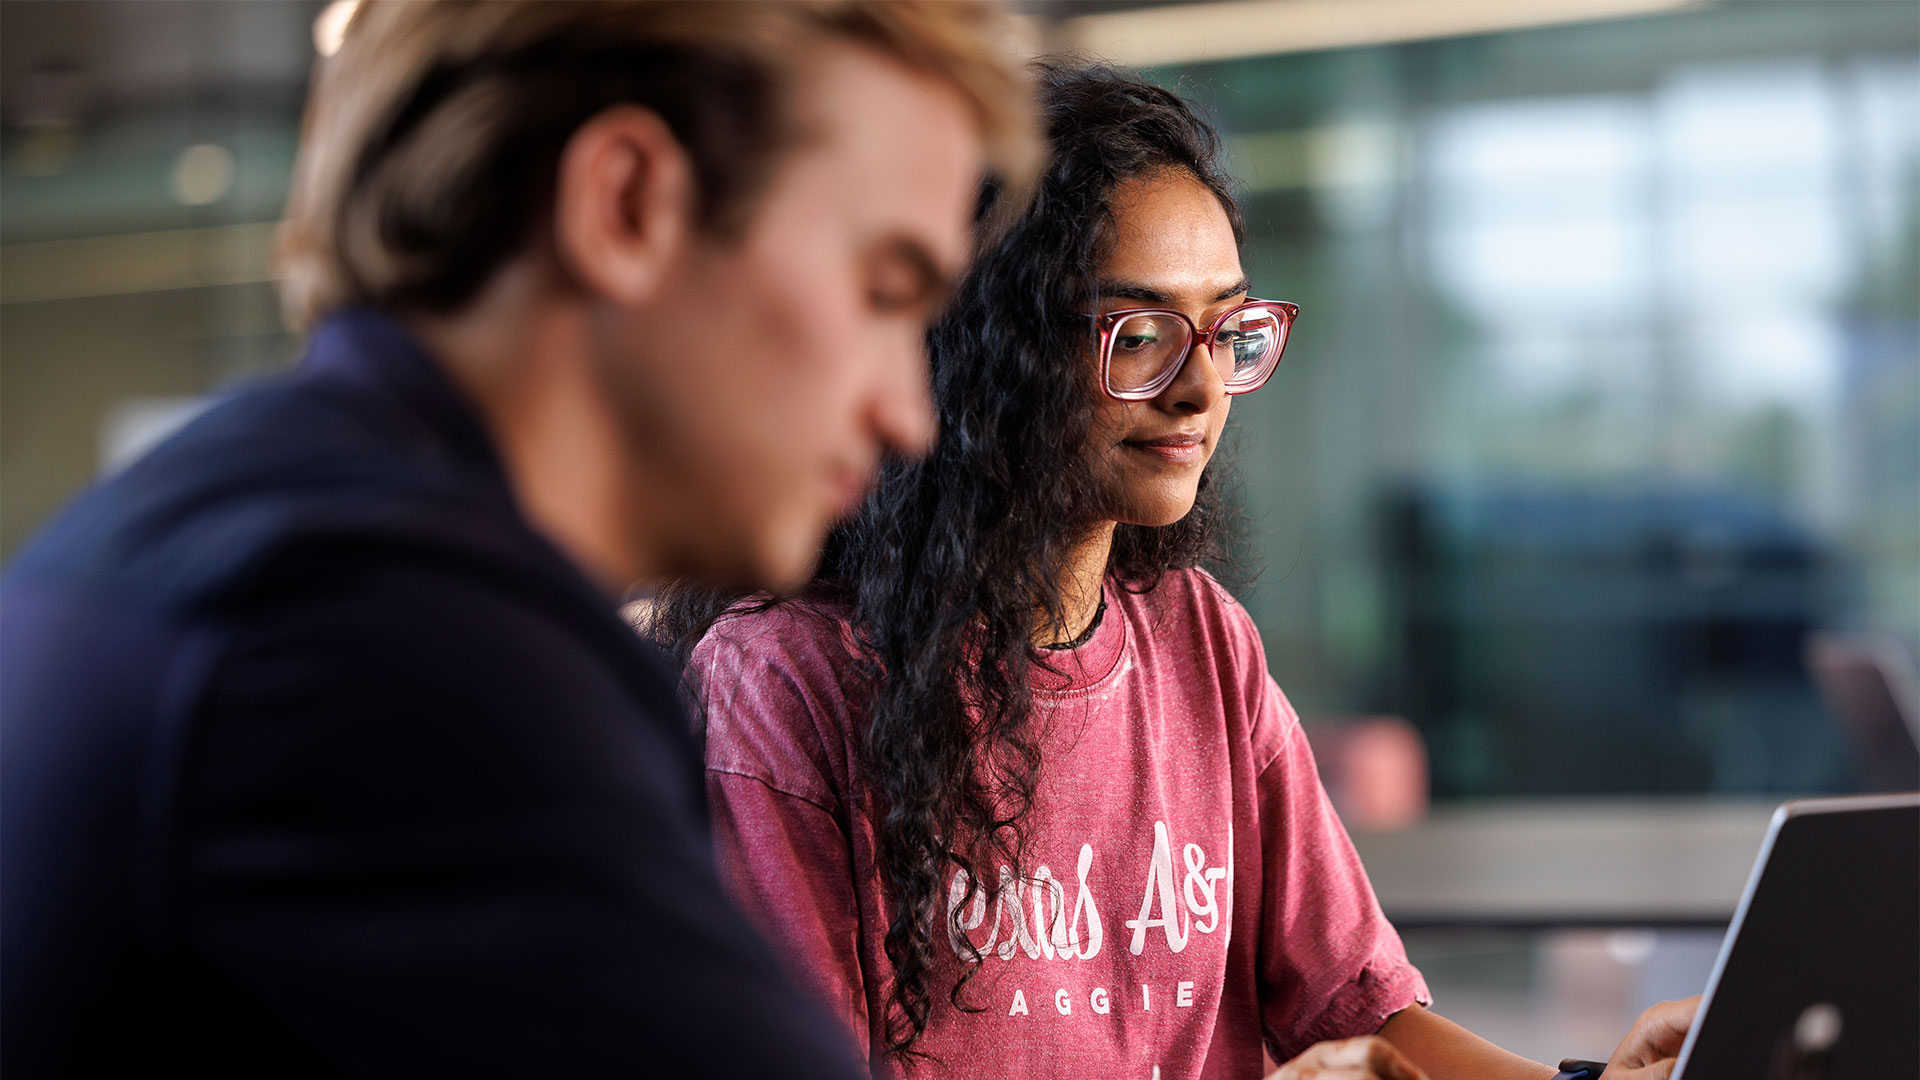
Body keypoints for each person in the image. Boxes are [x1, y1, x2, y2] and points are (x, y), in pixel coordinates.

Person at [0, 2, 1037, 1075]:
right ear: (626, 203)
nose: (910, 415)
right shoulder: (387, 637)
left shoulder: (234, 527)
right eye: (882, 289)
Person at [657, 62, 1696, 1080]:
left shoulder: (1200, 638)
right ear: (987, 353)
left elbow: (1366, 1014)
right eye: (1142, 334)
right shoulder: (787, 683)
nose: (1200, 390)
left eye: (1227, 330)